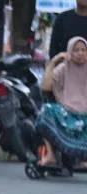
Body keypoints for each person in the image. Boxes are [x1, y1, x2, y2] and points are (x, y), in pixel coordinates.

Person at [37, 37, 87, 167]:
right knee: (45, 110)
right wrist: (53, 62)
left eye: (83, 50)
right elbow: (46, 87)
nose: (80, 53)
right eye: (76, 50)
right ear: (69, 52)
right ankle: (50, 155)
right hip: (67, 112)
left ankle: (84, 159)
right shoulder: (63, 68)